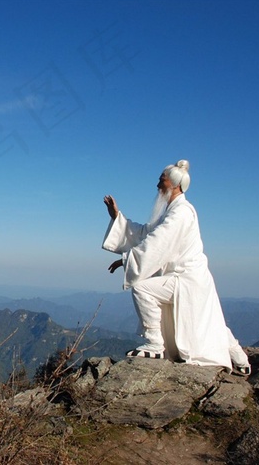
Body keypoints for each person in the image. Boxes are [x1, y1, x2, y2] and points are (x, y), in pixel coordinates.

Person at [102, 160, 250, 375]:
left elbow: (158, 243)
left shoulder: (180, 213)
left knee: (142, 289)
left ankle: (155, 345)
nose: (157, 185)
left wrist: (127, 259)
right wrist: (117, 216)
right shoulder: (172, 212)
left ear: (175, 185)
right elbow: (146, 233)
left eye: (161, 180)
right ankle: (241, 360)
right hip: (193, 278)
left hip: (186, 279)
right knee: (210, 319)